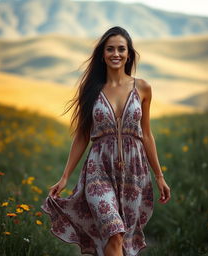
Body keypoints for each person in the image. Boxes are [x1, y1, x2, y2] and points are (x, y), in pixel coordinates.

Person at [41, 26, 171, 256]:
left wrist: (159, 176)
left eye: (121, 49)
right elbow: (82, 135)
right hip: (98, 171)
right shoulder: (91, 89)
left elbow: (147, 135)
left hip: (134, 172)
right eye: (110, 49)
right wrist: (64, 178)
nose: (116, 54)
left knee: (120, 240)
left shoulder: (142, 88)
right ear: (103, 54)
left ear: (129, 54)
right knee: (114, 231)